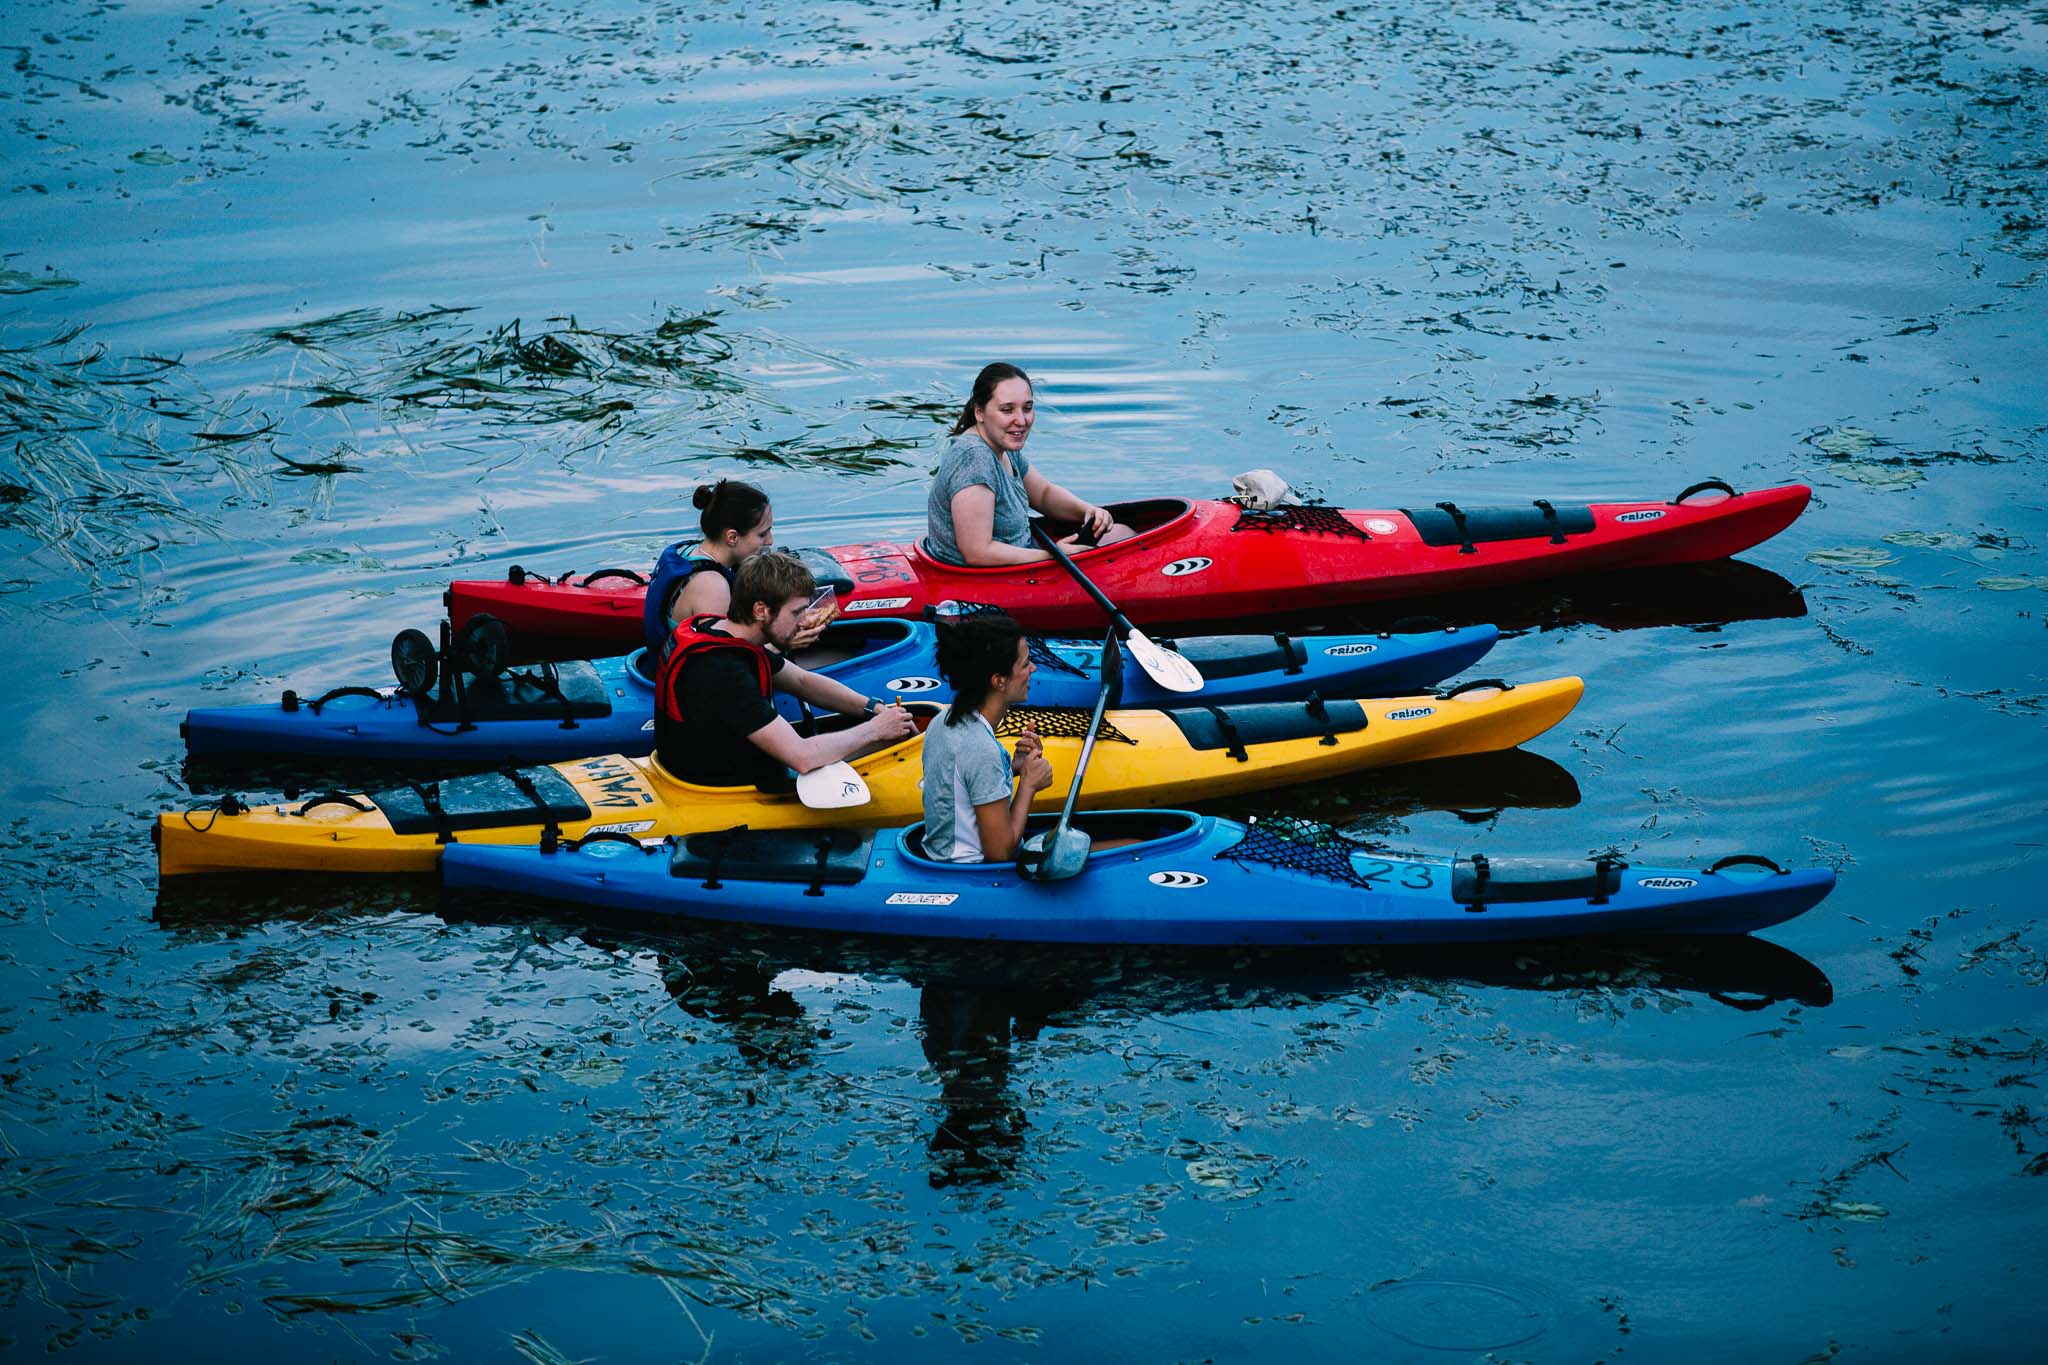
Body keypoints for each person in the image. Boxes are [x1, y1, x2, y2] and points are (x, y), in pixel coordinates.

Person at [655, 550, 916, 787]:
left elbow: (802, 682)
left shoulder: (716, 629)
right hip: (724, 786)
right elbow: (802, 757)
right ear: (761, 610)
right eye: (796, 613)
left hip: (705, 763)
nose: (804, 622)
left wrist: (874, 708)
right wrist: (876, 730)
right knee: (886, 744)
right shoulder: (723, 670)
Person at [923, 363, 1137, 567]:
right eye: (1007, 410)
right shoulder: (973, 458)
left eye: (1027, 408)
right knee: (1127, 545)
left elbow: (1043, 494)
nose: (1021, 420)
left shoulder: (1001, 443)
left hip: (1021, 555)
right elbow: (977, 552)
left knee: (1121, 532)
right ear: (979, 412)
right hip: (988, 578)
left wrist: (1088, 511)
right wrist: (1054, 556)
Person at [920, 609, 1057, 862]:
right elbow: (1000, 853)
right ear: (999, 681)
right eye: (1025, 664)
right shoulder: (980, 748)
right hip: (973, 874)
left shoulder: (942, 721)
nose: (1034, 668)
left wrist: (1012, 768)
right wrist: (1028, 785)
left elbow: (963, 783)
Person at [644, 479, 784, 655]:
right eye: (762, 534)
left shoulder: (686, 550)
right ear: (732, 537)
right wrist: (783, 643)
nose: (769, 541)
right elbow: (726, 660)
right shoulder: (712, 587)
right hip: (684, 676)